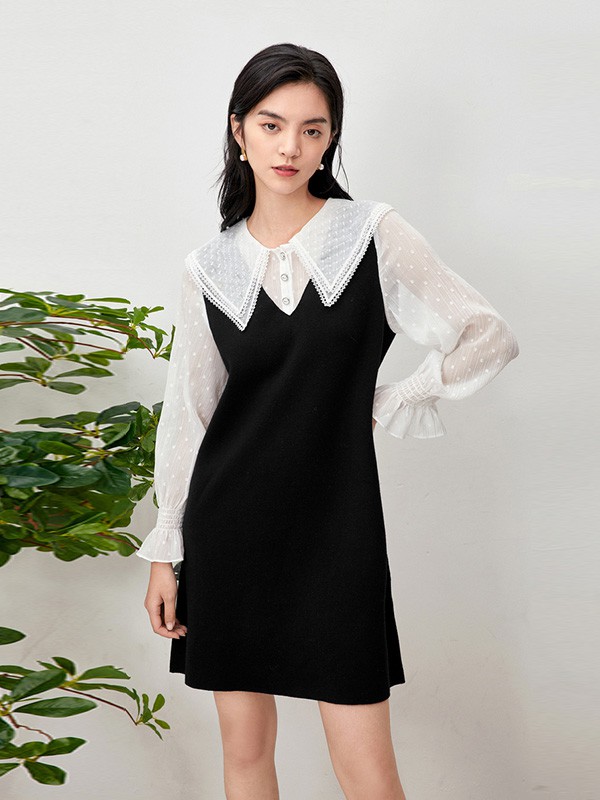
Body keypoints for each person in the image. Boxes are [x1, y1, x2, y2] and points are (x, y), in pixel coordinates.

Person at [137, 42, 519, 800]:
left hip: (337, 532)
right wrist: (165, 550)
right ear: (238, 130)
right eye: (272, 124)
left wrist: (391, 399)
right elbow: (189, 412)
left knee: (367, 768)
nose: (291, 146)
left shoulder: (371, 234)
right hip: (228, 529)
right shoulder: (207, 267)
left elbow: (487, 333)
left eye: (312, 129)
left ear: (330, 138)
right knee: (245, 754)